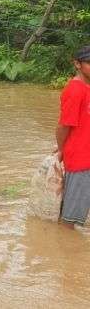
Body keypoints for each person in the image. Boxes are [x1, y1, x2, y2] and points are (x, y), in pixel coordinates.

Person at [56, 45, 90, 226]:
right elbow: (63, 125)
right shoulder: (75, 90)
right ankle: (62, 250)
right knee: (69, 220)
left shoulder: (86, 87)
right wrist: (61, 149)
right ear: (77, 64)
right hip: (81, 161)